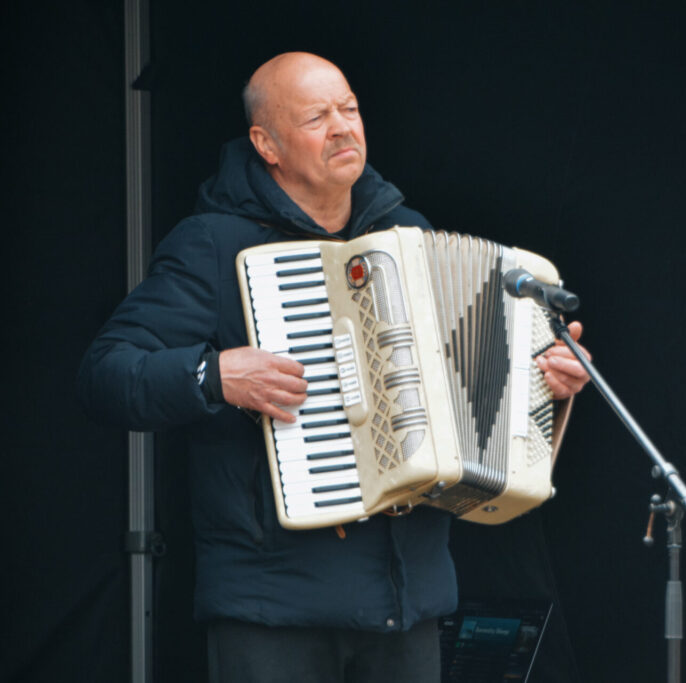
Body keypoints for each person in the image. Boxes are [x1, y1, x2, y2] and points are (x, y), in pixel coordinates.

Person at [77, 51, 590, 682]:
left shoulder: (406, 234)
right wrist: (213, 375)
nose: (343, 127)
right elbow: (105, 373)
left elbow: (457, 387)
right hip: (274, 606)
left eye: (349, 108)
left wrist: (544, 379)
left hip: (409, 602)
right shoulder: (213, 244)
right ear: (266, 144)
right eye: (316, 117)